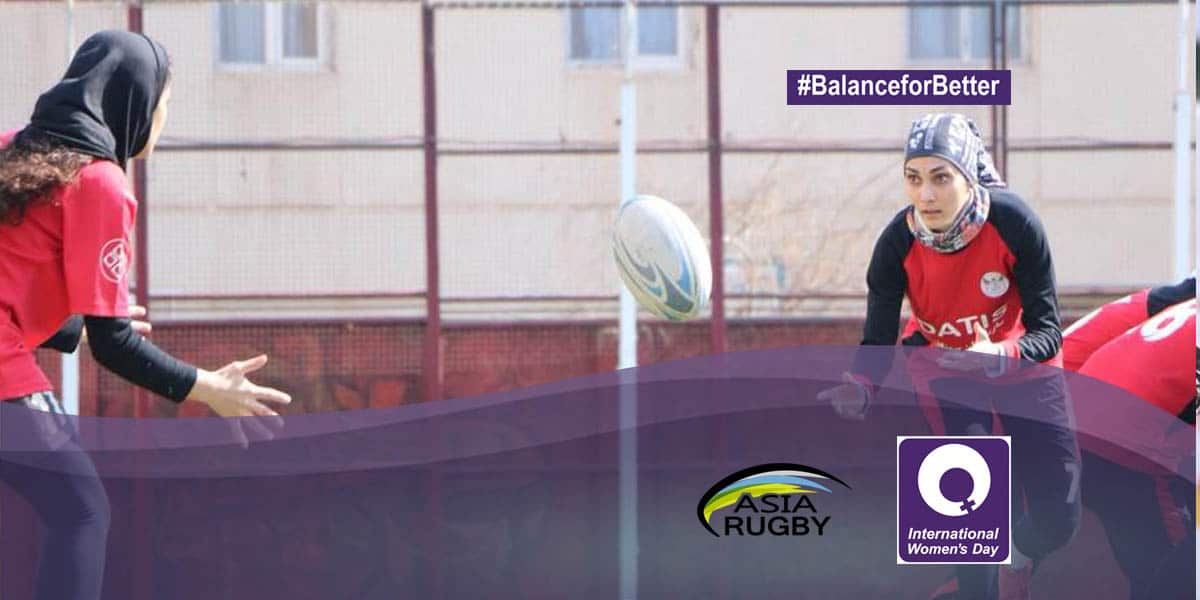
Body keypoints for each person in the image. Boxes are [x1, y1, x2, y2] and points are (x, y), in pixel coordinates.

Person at [0, 30, 291, 600]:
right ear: (134, 103)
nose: (163, 118)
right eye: (164, 102)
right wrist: (208, 387)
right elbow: (116, 345)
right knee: (80, 511)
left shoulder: (11, 148)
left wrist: (78, 327)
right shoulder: (99, 184)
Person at [818, 113, 1080, 600]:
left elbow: (1049, 331)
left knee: (1059, 518)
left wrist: (1000, 353)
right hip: (945, 371)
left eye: (940, 177)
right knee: (967, 512)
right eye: (913, 178)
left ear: (968, 178)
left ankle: (1017, 557)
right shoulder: (894, 243)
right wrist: (861, 386)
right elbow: (878, 339)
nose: (926, 195)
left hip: (1025, 368)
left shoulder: (1016, 222)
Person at [1064, 286, 1196, 599]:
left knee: (1155, 567)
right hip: (1128, 449)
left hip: (1079, 421)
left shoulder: (1180, 305)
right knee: (1178, 568)